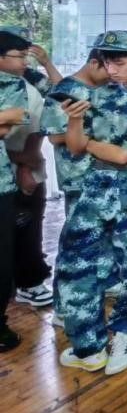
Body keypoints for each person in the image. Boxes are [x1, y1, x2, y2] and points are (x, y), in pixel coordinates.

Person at [56, 30, 127, 375]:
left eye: (119, 61)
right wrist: (76, 120)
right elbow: (74, 146)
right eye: (107, 62)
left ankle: (125, 332)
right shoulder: (101, 94)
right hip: (95, 188)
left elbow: (123, 155)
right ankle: (88, 345)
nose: (111, 69)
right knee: (76, 263)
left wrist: (90, 142)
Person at [40, 47, 110, 323]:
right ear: (94, 63)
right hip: (79, 178)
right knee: (76, 246)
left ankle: (90, 295)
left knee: (97, 243)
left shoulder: (101, 89)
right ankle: (65, 308)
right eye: (109, 68)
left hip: (101, 176)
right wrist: (88, 132)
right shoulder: (66, 90)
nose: (114, 74)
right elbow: (54, 136)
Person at [0, 26, 62, 310]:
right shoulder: (11, 85)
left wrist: (46, 63)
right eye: (20, 55)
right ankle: (21, 282)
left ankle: (29, 281)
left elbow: (61, 92)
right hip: (14, 163)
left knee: (28, 223)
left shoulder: (26, 79)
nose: (26, 61)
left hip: (26, 162)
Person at [0, 72, 29, 351]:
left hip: (0, 187)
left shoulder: (9, 83)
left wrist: (7, 117)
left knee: (2, 258)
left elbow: (9, 125)